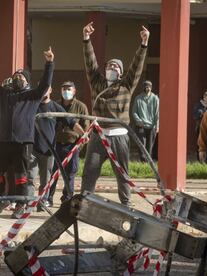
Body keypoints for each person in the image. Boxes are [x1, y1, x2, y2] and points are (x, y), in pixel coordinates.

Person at [80, 22, 149, 207]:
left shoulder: (126, 85)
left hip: (119, 136)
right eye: (109, 65)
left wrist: (143, 44)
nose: (112, 68)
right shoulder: (97, 83)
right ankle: (84, 202)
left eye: (116, 67)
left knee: (122, 173)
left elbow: (136, 67)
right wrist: (86, 39)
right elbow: (90, 63)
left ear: (120, 72)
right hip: (98, 135)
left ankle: (126, 204)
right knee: (89, 171)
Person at [0, 45, 54, 218]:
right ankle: (2, 199)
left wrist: (49, 63)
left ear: (27, 81)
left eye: (21, 76)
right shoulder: (5, 95)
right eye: (15, 76)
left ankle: (21, 204)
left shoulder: (32, 96)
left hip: (23, 142)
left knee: (21, 175)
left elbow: (45, 84)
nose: (17, 78)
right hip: (4, 141)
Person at [27, 86, 84, 212]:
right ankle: (29, 204)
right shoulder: (33, 106)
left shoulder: (55, 107)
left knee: (46, 180)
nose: (44, 91)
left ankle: (42, 202)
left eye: (46, 88)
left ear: (51, 90)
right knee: (30, 177)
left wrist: (84, 134)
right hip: (33, 149)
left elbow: (71, 122)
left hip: (49, 151)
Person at [47, 81, 89, 205]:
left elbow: (85, 129)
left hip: (72, 146)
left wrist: (79, 146)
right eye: (64, 89)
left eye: (69, 89)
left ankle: (66, 199)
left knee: (70, 174)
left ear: (74, 91)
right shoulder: (55, 105)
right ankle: (48, 198)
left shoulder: (81, 107)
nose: (66, 91)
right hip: (56, 145)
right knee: (53, 173)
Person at [132, 80, 159, 161]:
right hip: (141, 125)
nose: (147, 89)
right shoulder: (138, 98)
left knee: (150, 146)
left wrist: (157, 125)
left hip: (152, 126)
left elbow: (157, 113)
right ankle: (143, 161)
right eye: (146, 87)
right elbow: (134, 112)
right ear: (143, 88)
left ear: (151, 88)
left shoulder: (155, 98)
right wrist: (139, 121)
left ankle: (149, 162)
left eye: (149, 87)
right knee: (141, 145)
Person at [193, 89, 207, 161]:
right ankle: (200, 161)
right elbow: (195, 115)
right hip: (200, 128)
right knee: (200, 145)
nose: (206, 96)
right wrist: (201, 113)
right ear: (202, 96)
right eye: (205, 94)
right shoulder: (198, 104)